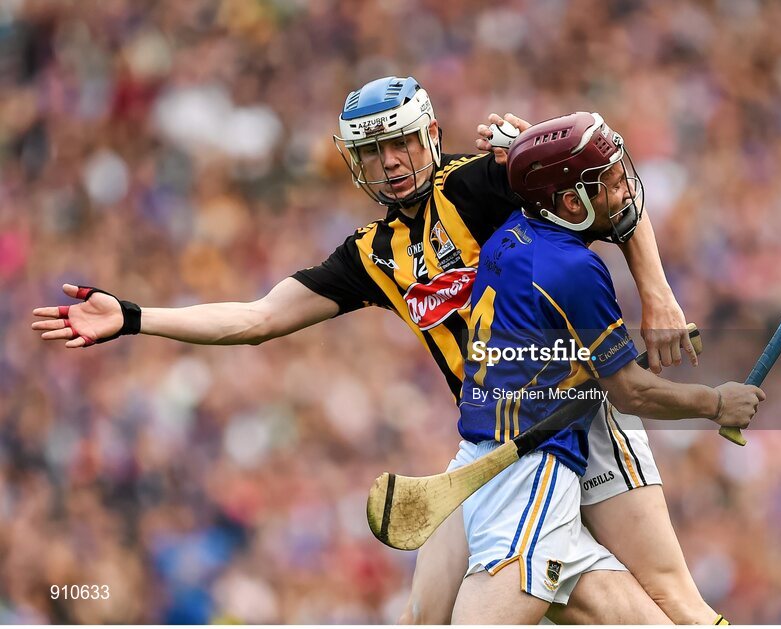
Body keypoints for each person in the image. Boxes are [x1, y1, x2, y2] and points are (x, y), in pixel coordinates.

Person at [30, 76, 705, 623]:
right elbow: (257, 317)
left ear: (429, 136)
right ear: (353, 162)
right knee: (447, 613)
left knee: (666, 597)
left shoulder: (481, 184)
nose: (391, 162)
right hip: (492, 449)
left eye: (403, 143)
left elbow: (606, 179)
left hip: (575, 417)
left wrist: (657, 293)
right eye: (373, 152)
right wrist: (135, 317)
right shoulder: (372, 255)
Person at [449, 111, 765, 624]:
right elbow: (629, 392)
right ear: (570, 203)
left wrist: (524, 145)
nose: (626, 193)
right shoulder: (573, 268)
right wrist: (717, 402)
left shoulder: (514, 227)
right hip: (528, 478)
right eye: (611, 184)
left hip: (506, 459)